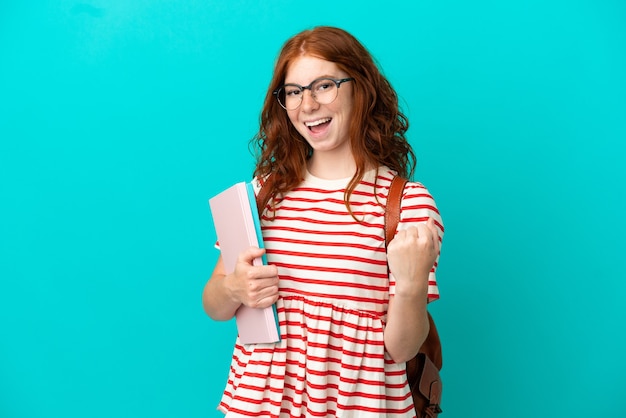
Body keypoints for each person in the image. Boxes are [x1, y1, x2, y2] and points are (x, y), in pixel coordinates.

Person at [202, 26, 444, 418]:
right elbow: (214, 303)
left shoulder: (407, 203)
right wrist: (233, 288)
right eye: (294, 91)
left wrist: (413, 284)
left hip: (358, 406)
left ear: (360, 87)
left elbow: (402, 349)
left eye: (324, 85)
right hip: (258, 405)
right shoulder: (264, 191)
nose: (307, 104)